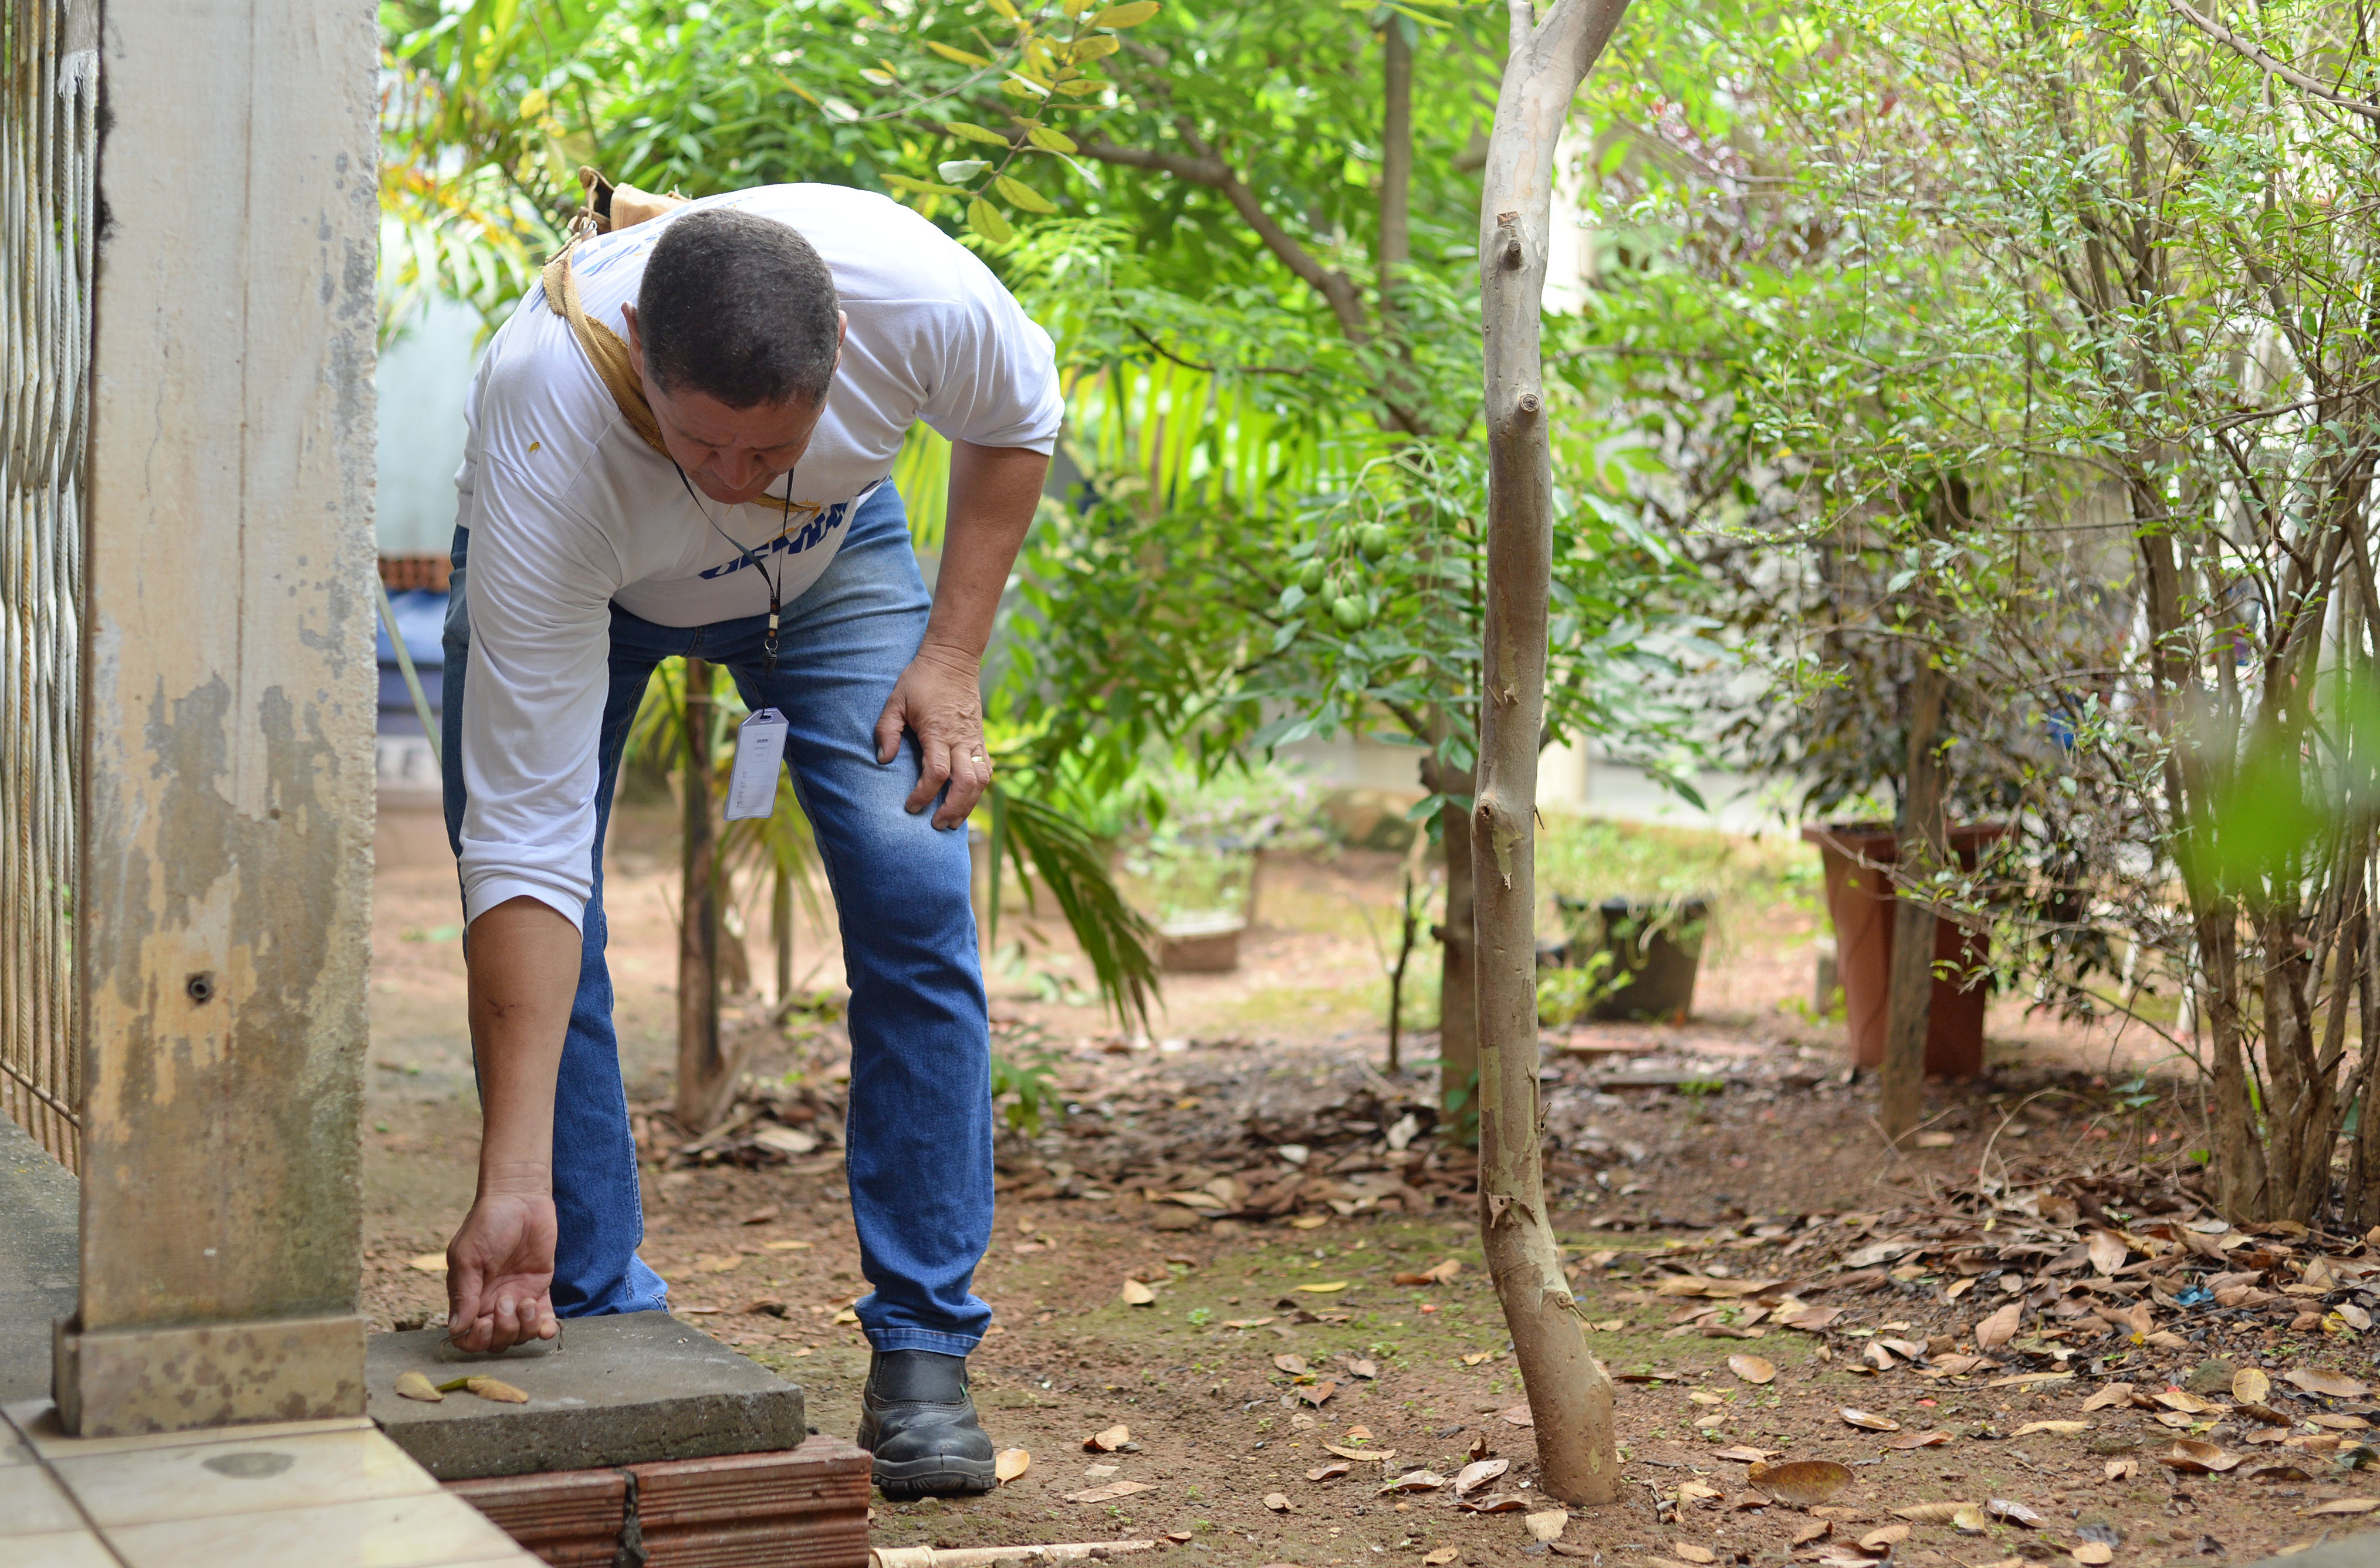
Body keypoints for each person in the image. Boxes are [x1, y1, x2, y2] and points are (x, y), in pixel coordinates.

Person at [435, 180, 1057, 1500]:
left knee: (913, 882)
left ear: (845, 358)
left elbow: (1018, 424)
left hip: (826, 572)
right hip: (589, 587)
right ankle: (595, 1302)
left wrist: (950, 655)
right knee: (561, 920)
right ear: (641, 361)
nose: (728, 480)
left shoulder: (917, 295)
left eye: (769, 450)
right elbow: (529, 844)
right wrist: (507, 1177)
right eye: (697, 442)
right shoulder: (545, 412)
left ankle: (925, 1343)